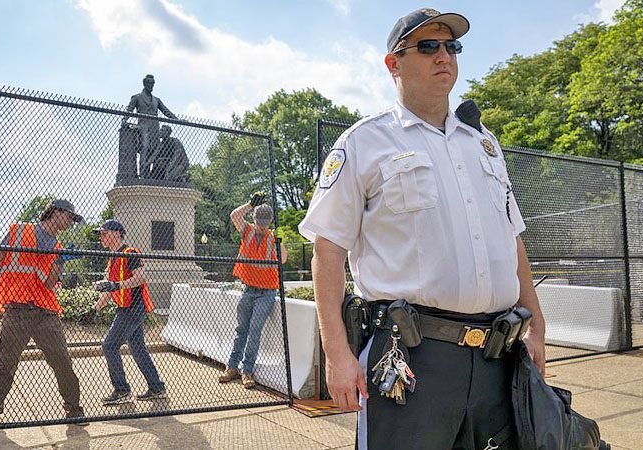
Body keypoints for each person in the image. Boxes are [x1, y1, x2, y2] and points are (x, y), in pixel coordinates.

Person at [298, 8, 545, 450]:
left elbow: (512, 239)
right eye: (428, 46)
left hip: (496, 359)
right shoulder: (364, 142)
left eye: (452, 46)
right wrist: (337, 353)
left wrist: (537, 327)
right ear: (393, 63)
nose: (443, 55)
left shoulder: (484, 145)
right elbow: (327, 251)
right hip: (411, 359)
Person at [0, 199, 86, 424]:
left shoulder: (57, 247)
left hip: (45, 311)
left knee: (62, 361)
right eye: (69, 217)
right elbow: (0, 259)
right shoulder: (20, 230)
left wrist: (58, 261)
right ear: (55, 212)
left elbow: (48, 284)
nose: (70, 223)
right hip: (17, 308)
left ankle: (74, 410)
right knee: (5, 363)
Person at [91, 219, 166, 404]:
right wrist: (94, 309)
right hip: (126, 307)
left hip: (133, 307)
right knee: (138, 348)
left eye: (104, 233)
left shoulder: (129, 253)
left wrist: (115, 285)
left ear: (117, 233)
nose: (101, 237)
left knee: (109, 346)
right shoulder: (113, 258)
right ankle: (157, 388)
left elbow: (140, 278)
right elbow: (111, 289)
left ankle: (122, 390)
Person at [219, 192, 287, 389]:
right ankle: (232, 367)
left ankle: (247, 370)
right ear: (255, 219)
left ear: (270, 222)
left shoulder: (274, 237)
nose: (262, 226)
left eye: (265, 223)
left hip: (266, 292)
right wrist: (250, 204)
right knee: (241, 330)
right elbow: (234, 215)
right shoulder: (247, 231)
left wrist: (280, 241)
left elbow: (282, 259)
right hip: (249, 289)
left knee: (254, 330)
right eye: (260, 221)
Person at [126, 74, 179, 176]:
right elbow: (129, 110)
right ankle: (143, 175)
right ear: (145, 83)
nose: (151, 85)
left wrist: (177, 120)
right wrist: (124, 119)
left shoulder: (156, 100)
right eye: (149, 83)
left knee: (156, 151)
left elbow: (166, 111)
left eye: (153, 83)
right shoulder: (137, 97)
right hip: (144, 128)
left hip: (155, 129)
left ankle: (154, 175)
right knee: (144, 149)